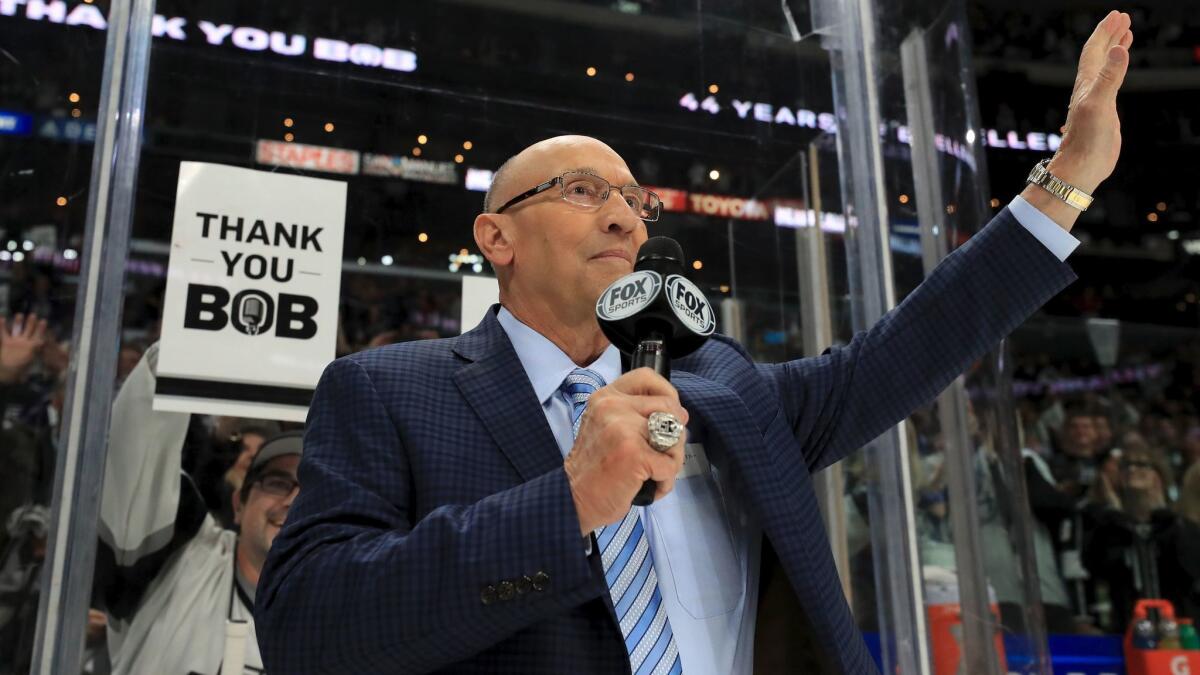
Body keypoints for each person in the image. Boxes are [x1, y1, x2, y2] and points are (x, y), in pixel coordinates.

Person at [256, 12, 1134, 673]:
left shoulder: (721, 383)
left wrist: (1066, 182)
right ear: (495, 239)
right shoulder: (385, 390)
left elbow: (908, 347)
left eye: (636, 201)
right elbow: (309, 626)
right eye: (579, 189)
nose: (621, 214)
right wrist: (568, 502)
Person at [97, 344, 302, 675]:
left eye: (310, 492)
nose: (293, 501)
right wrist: (194, 340)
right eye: (277, 483)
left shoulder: (339, 610)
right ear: (239, 504)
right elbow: (140, 448)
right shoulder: (180, 560)